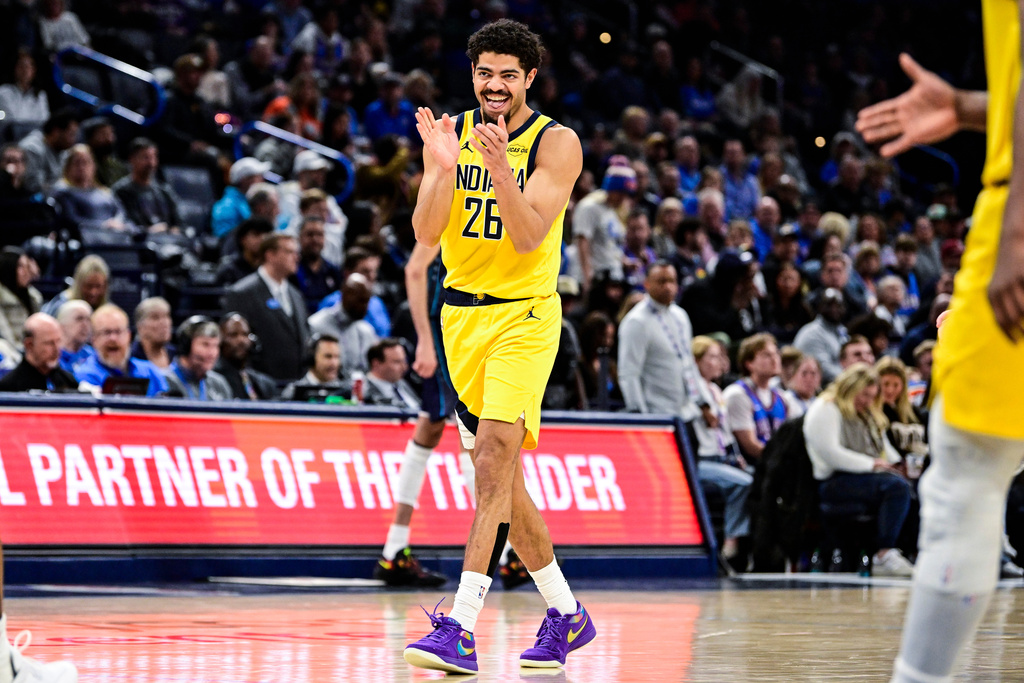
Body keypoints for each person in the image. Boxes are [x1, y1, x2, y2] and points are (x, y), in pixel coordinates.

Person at [404, 19, 594, 675]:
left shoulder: (556, 142)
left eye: (508, 75)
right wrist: (441, 171)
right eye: (485, 73)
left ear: (529, 79)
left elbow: (528, 234)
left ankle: (459, 627)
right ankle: (567, 613)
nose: (495, 85)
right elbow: (425, 232)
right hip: (461, 319)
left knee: (489, 463)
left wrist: (495, 170)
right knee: (505, 483)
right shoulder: (453, 132)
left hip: (523, 318)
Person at [803, 364, 915, 577]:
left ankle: (909, 552)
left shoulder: (866, 414)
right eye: (863, 395)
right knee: (896, 488)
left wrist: (898, 465)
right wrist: (872, 464)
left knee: (913, 489)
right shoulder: (826, 408)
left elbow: (883, 448)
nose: (867, 401)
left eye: (871, 396)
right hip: (833, 481)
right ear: (850, 389)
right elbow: (831, 454)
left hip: (865, 477)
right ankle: (883, 554)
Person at [618, 261, 713, 423]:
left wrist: (703, 402)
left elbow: (688, 362)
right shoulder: (636, 322)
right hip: (658, 414)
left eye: (671, 281)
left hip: (687, 412)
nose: (668, 287)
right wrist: (641, 417)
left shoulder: (680, 316)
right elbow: (629, 373)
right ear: (647, 284)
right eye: (661, 281)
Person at [691, 335, 753, 569]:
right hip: (699, 459)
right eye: (713, 357)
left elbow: (724, 432)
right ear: (696, 361)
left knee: (760, 479)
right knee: (743, 483)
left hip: (720, 457)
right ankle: (731, 543)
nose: (720, 362)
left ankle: (753, 546)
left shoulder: (716, 390)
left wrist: (734, 456)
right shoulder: (691, 391)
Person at [222, 234, 309, 381]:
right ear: (270, 255)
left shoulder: (296, 295)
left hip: (295, 383)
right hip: (261, 385)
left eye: (297, 252)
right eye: (289, 252)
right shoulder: (242, 293)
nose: (296, 257)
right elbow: (235, 345)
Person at [75, 304, 168, 397]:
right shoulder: (84, 377)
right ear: (94, 339)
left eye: (118, 331)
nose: (113, 338)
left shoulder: (151, 372)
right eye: (107, 332)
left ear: (129, 336)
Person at [307, 273, 378, 377]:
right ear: (346, 295)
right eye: (361, 300)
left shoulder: (367, 331)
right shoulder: (317, 325)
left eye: (367, 301)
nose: (365, 307)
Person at [50, 144, 130, 233]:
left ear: (93, 166)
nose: (81, 167)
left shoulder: (105, 192)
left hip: (114, 233)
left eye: (85, 162)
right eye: (77, 163)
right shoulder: (63, 192)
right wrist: (103, 226)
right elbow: (72, 220)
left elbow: (120, 212)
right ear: (68, 168)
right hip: (87, 236)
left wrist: (116, 222)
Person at [111, 138, 183, 234]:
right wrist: (150, 231)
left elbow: (179, 221)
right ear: (132, 159)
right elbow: (126, 223)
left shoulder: (164, 191)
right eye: (146, 157)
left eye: (153, 157)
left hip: (168, 239)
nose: (151, 163)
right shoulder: (122, 191)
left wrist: (175, 230)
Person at [0, 313, 78, 392]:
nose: (56, 349)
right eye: (49, 343)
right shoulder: (9, 387)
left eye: (58, 341)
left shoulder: (68, 381)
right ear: (29, 345)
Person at [163, 317, 233, 401]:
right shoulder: (164, 381)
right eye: (205, 344)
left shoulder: (219, 384)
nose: (212, 353)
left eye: (215, 345)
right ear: (186, 346)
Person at [215, 313, 277, 401]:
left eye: (245, 334)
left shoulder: (263, 383)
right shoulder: (213, 380)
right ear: (220, 339)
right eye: (233, 335)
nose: (241, 341)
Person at [212, 157, 270, 239]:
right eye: (258, 177)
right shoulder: (226, 206)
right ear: (244, 180)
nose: (262, 181)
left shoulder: (248, 200)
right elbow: (226, 239)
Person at [281, 334, 346, 400]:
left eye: (337, 357)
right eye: (328, 356)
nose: (334, 363)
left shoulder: (346, 391)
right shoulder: (293, 392)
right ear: (311, 359)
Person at [0, 247, 41, 348]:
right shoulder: (2, 297)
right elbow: (7, 338)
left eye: (27, 266)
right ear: (9, 268)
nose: (26, 271)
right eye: (21, 266)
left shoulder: (33, 297)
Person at [362, 338, 420, 409]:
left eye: (404, 361)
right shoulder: (364, 391)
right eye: (397, 362)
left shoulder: (401, 384)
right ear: (376, 364)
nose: (404, 367)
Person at [41, 255, 108, 316]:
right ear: (79, 284)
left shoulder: (106, 312)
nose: (93, 292)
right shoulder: (60, 306)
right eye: (89, 286)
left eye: (98, 286)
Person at [129, 298, 175, 369]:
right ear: (140, 326)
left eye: (167, 316)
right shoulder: (130, 358)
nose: (164, 323)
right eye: (155, 318)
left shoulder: (176, 355)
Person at [55, 299, 94, 375]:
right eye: (79, 319)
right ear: (61, 325)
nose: (85, 325)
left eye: (88, 320)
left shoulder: (93, 356)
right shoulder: (53, 356)